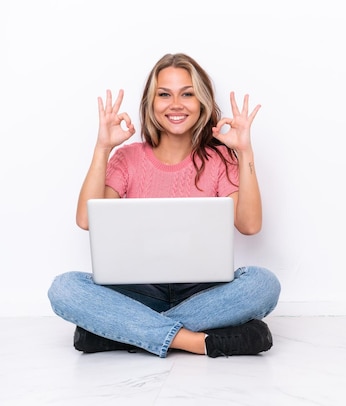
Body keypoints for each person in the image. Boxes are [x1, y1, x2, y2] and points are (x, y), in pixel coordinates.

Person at [47, 53, 281, 358]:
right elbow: (85, 219)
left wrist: (244, 151)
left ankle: (120, 334)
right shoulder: (127, 158)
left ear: (202, 102)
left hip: (203, 292)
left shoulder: (220, 159)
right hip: (140, 292)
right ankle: (194, 340)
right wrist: (103, 147)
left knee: (263, 284)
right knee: (64, 288)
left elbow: (250, 225)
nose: (176, 104)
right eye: (164, 94)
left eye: (187, 94)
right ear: (151, 103)